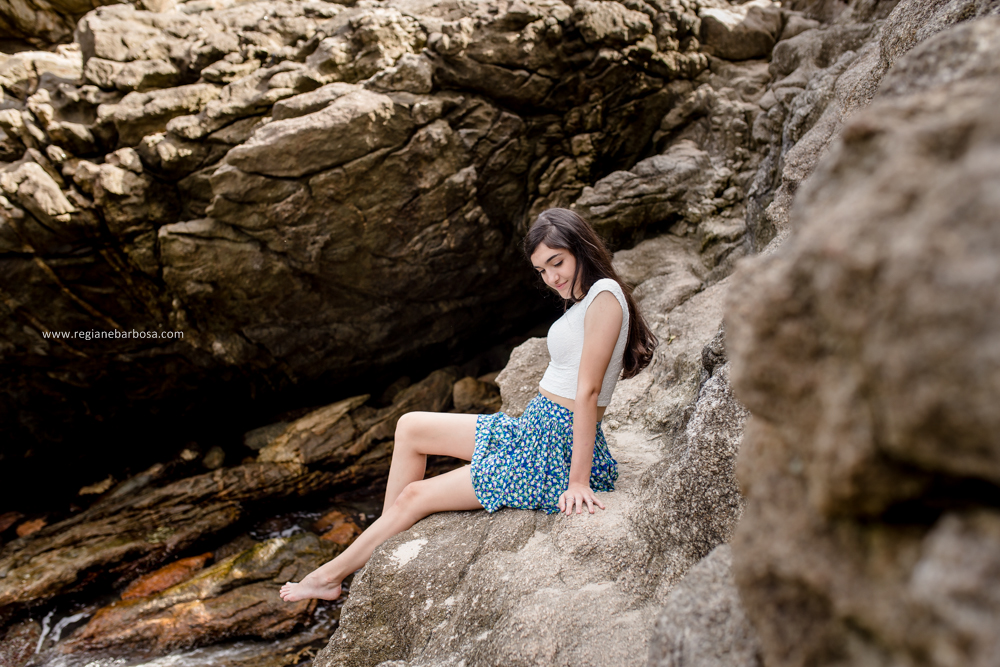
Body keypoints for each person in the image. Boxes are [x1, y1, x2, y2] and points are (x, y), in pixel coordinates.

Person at [279, 208, 658, 603]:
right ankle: (381, 544)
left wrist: (577, 481)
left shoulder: (605, 295)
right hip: (533, 430)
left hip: (552, 449)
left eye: (557, 262)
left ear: (580, 248)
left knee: (415, 496)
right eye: (542, 270)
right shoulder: (586, 299)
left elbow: (589, 391)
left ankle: (328, 577)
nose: (551, 277)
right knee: (410, 427)